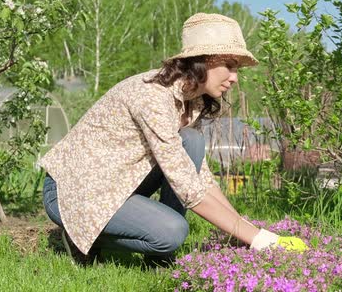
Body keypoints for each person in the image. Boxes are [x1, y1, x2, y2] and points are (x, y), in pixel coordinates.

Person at [40, 13, 307, 266]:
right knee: (172, 232)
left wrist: (242, 229)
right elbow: (187, 188)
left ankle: (157, 258)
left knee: (191, 142)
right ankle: (81, 237)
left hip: (116, 183)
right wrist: (260, 239)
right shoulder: (153, 98)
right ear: (203, 61)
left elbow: (196, 175)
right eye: (229, 65)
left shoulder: (191, 100)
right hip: (73, 191)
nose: (235, 78)